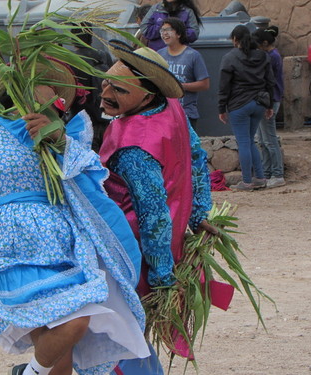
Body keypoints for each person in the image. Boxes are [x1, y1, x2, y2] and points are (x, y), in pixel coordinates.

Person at [0, 58, 150, 375]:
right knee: (66, 340)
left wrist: (59, 143)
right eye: (42, 83)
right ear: (17, 89)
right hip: (9, 249)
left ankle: (28, 372)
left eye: (54, 87)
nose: (52, 93)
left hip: (59, 247)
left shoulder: (60, 134)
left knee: (68, 341)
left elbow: (85, 181)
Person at [97, 40, 224, 374]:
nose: (106, 92)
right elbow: (196, 157)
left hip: (133, 247)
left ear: (147, 95)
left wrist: (162, 275)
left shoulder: (134, 146)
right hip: (168, 236)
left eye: (119, 89)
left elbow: (153, 216)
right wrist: (198, 213)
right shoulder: (170, 108)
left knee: (119, 330)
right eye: (106, 81)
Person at [218, 25, 276, 192]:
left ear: (235, 40)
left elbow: (224, 85)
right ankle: (260, 178)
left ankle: (246, 181)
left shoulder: (230, 57)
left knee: (243, 142)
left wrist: (221, 107)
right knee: (250, 141)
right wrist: (270, 105)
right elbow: (270, 82)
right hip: (259, 103)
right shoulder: (263, 56)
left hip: (239, 104)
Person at [157, 17, 209, 130]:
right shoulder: (159, 55)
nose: (164, 33)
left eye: (168, 30)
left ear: (179, 34)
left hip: (186, 114)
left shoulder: (193, 55)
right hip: (163, 113)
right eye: (162, 30)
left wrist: (181, 86)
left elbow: (205, 84)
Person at [68, 23, 113, 152]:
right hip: (105, 120)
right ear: (91, 38)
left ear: (72, 39)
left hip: (80, 123)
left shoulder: (70, 60)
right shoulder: (104, 56)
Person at [253, 26, 286, 188]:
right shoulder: (270, 55)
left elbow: (270, 83)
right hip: (267, 101)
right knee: (262, 139)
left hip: (270, 101)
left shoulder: (272, 57)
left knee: (270, 139)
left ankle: (277, 173)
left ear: (265, 43)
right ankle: (266, 172)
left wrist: (269, 104)